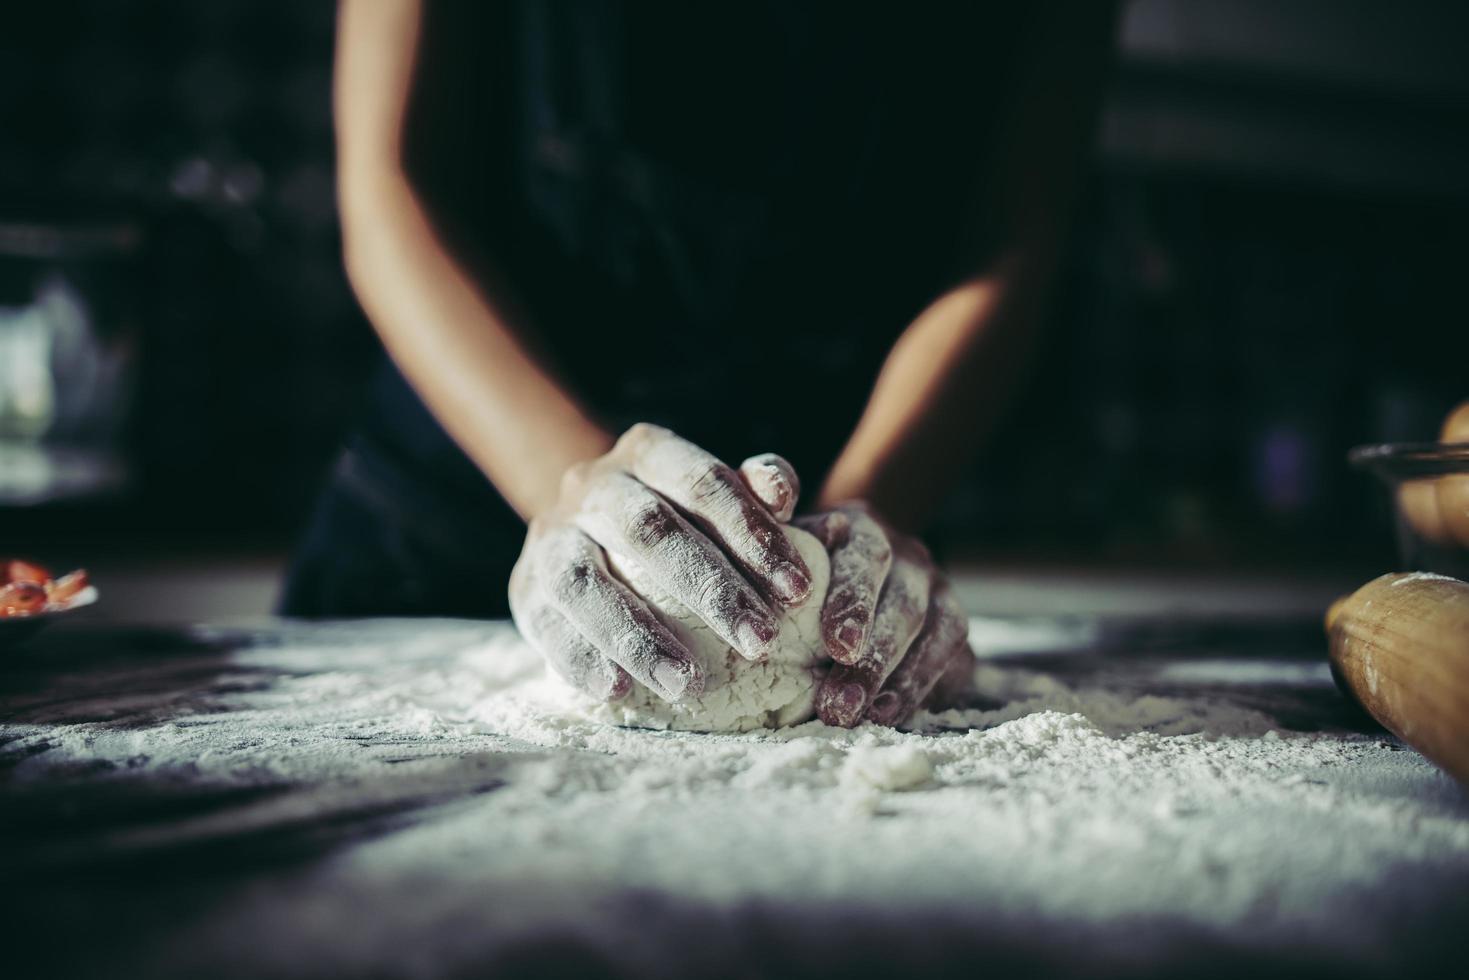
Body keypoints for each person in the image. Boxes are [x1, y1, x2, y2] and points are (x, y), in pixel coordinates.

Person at [283, 0, 1118, 728]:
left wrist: (859, 530)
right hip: (451, 518)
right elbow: (392, 187)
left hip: (829, 496)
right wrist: (577, 487)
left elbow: (1007, 253)